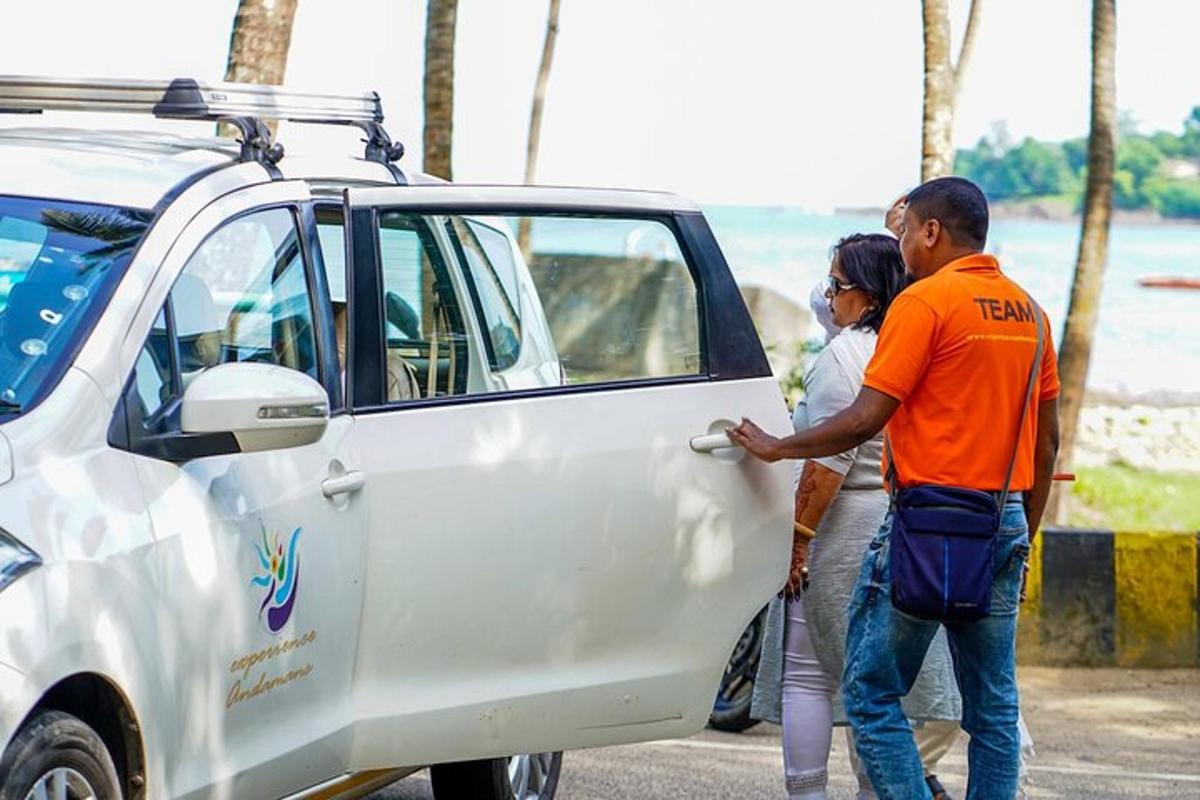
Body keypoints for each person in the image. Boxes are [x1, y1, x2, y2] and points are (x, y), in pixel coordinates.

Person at [729, 177, 1060, 800]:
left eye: (905, 230)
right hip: (1003, 519)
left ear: (931, 232)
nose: (900, 242)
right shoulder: (1031, 313)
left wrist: (777, 446)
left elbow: (863, 419)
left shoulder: (924, 304)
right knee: (991, 709)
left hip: (928, 522)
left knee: (870, 692)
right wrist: (1023, 533)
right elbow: (1047, 445)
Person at [748, 235, 962, 800]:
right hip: (902, 523)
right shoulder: (915, 346)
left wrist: (797, 541)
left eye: (837, 286)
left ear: (865, 296)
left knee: (809, 674)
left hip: (842, 530)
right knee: (881, 684)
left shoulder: (844, 357)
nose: (829, 296)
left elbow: (828, 464)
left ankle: (809, 794)